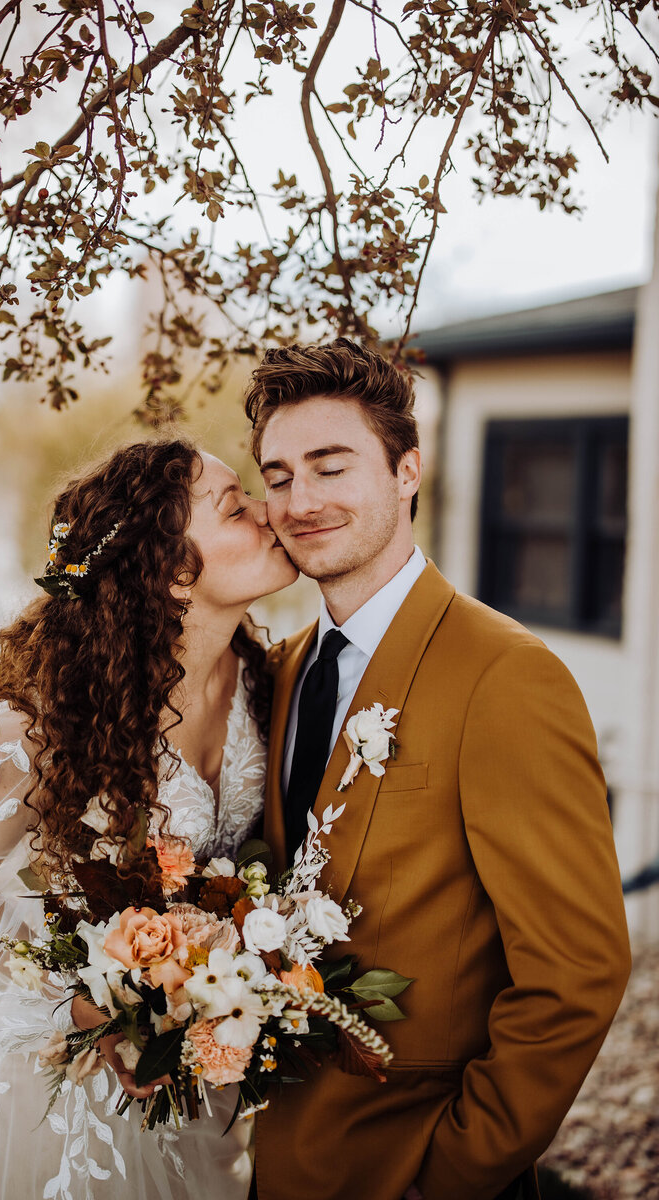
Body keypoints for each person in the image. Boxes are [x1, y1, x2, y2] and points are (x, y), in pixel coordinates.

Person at [243, 339, 631, 1200]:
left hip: (409, 1167)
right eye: (277, 476)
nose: (300, 501)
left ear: (406, 470)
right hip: (279, 1158)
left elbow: (577, 972)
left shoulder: (506, 676)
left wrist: (452, 1172)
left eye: (330, 466)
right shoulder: (287, 667)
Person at [0, 438, 298, 1200]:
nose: (269, 510)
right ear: (175, 573)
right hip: (73, 1091)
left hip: (202, 1077)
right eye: (235, 506)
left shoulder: (268, 683)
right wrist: (80, 1004)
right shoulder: (59, 710)